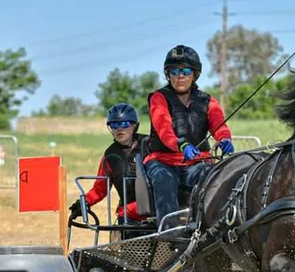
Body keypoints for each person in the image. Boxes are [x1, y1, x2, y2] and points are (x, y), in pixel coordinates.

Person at [145, 44, 235, 229]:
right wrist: (182, 145)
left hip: (196, 162)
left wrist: (225, 139)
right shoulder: (158, 98)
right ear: (168, 74)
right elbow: (164, 129)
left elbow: (219, 126)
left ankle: (209, 229)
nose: (180, 76)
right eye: (175, 71)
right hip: (163, 162)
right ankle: (169, 235)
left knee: (212, 175)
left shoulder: (208, 101)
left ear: (195, 74)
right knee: (163, 179)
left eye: (186, 71)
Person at [70, 103, 148, 225]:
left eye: (124, 124)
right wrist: (85, 202)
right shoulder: (110, 156)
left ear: (135, 126)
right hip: (129, 216)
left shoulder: (150, 145)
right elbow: (100, 188)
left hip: (157, 211)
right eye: (114, 125)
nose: (119, 129)